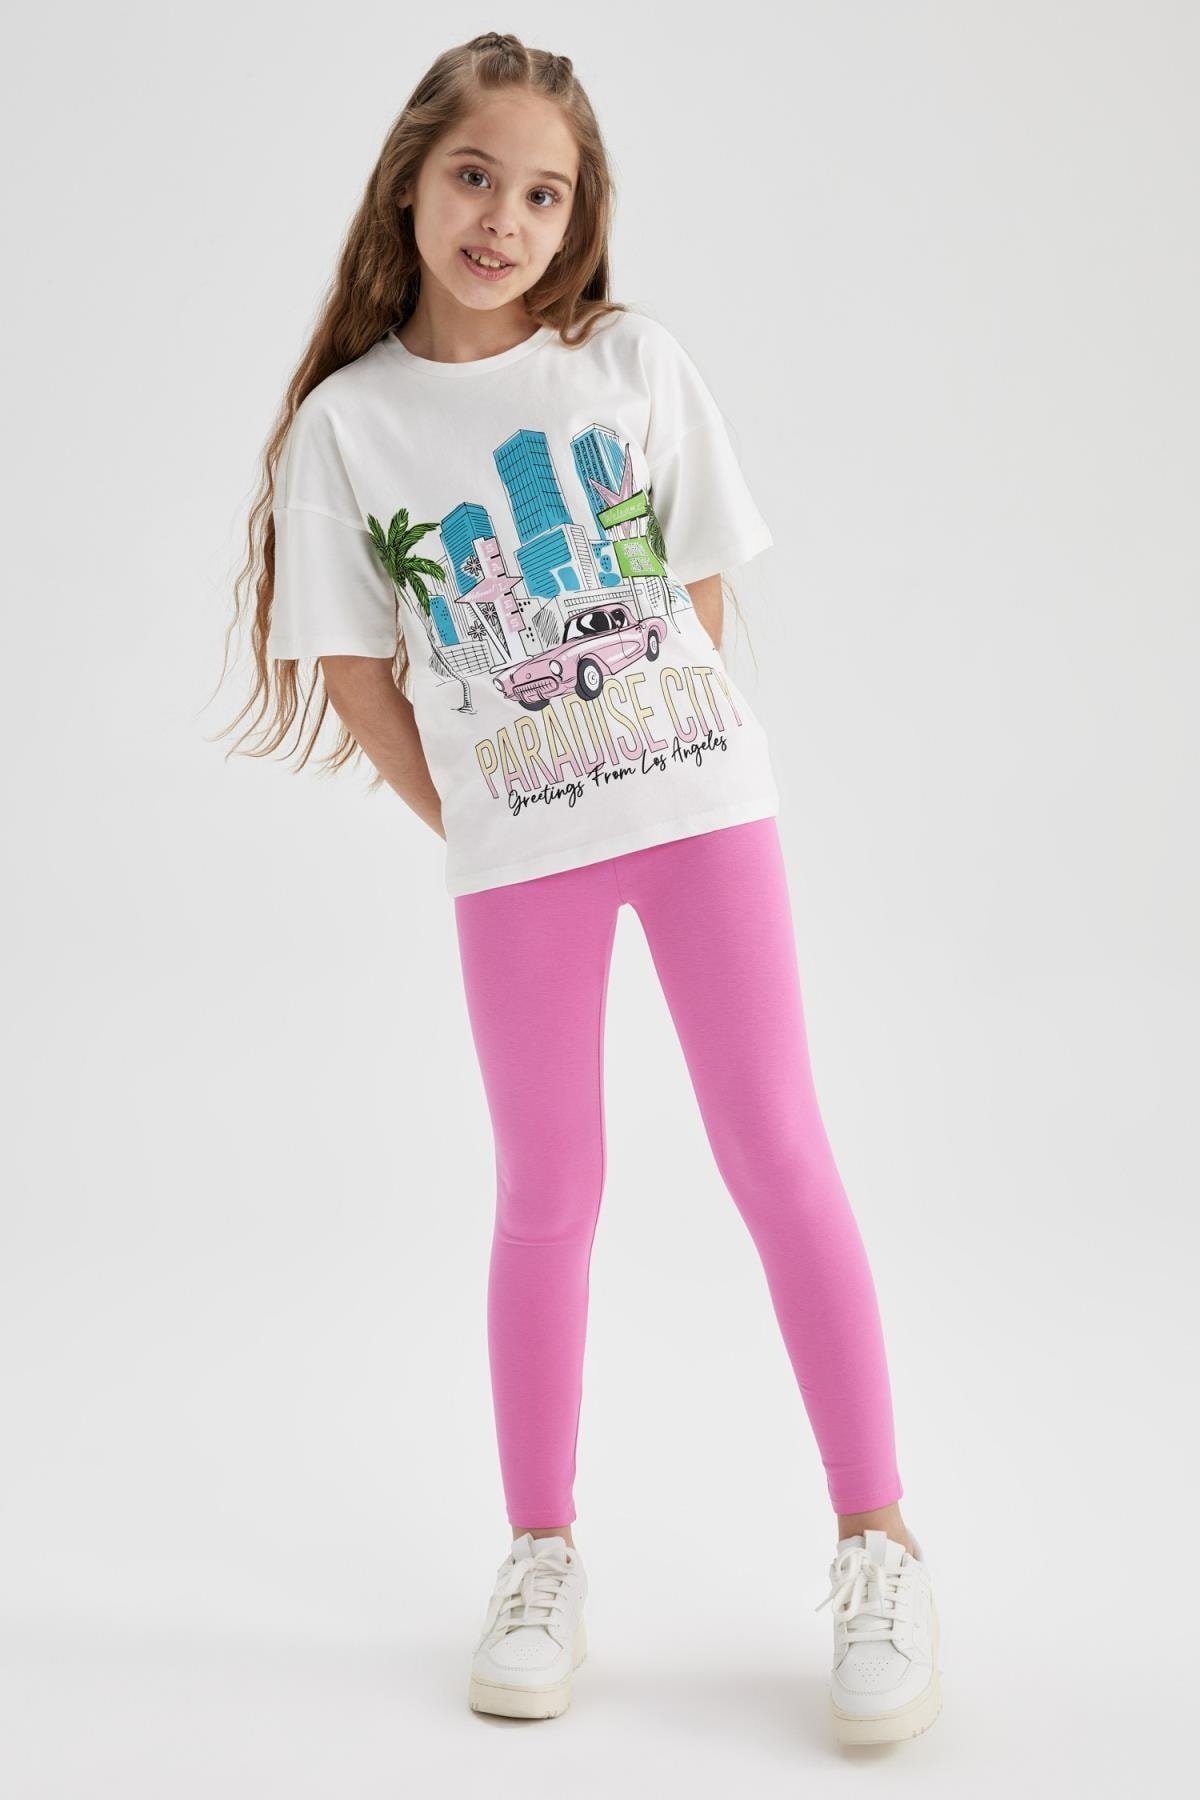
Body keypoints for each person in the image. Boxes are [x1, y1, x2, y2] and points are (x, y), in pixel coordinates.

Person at [221, 29, 941, 1745]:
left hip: (703, 812)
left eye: (543, 194)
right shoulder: (348, 426)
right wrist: (491, 811)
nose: (505, 219)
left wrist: (639, 762)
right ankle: (540, 1554)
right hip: (516, 859)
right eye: (476, 177)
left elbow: (696, 588)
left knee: (778, 1152)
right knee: (547, 1191)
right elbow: (356, 677)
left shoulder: (631, 362)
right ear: (412, 180)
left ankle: (880, 1541)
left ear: (578, 215)